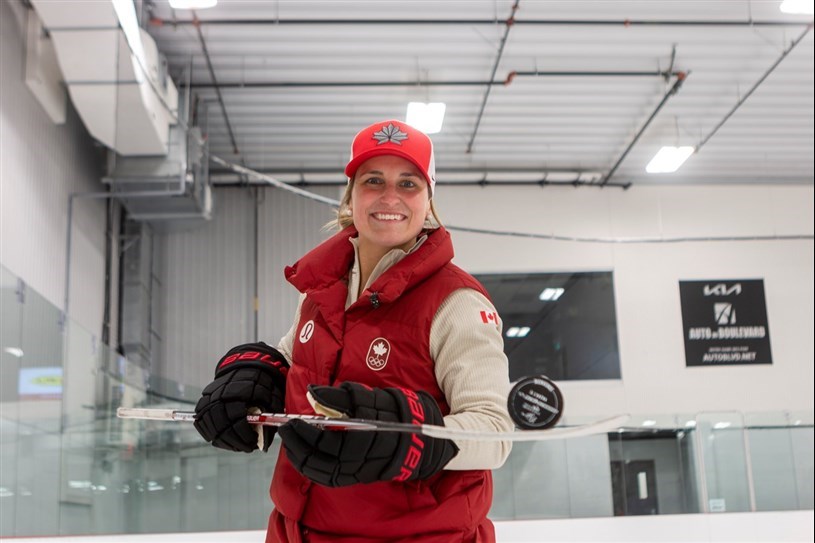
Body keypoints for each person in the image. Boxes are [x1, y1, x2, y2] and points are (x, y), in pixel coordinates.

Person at [193, 119, 513, 543]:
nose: (389, 196)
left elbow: (494, 432)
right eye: (373, 180)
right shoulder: (322, 286)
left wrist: (409, 441)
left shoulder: (456, 302)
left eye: (409, 184)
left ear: (429, 199)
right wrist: (258, 378)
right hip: (295, 529)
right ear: (351, 196)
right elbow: (296, 362)